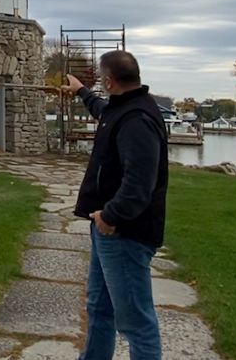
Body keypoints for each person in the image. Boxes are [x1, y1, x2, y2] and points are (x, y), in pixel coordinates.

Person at [60, 50, 168, 360]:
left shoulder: (137, 119)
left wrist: (110, 215)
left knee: (136, 322)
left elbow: (139, 184)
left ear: (108, 81)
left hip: (124, 233)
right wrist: (81, 90)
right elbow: (103, 110)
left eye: (99, 78)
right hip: (108, 231)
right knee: (100, 308)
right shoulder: (124, 108)